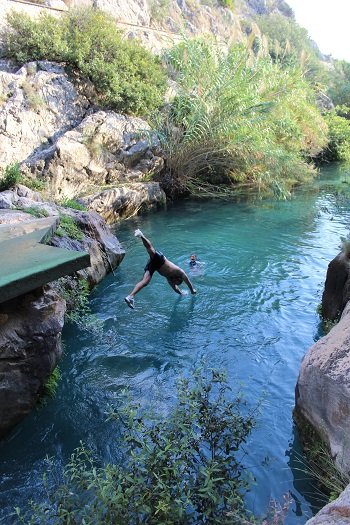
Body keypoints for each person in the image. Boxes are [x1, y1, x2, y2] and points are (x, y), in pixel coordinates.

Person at [125, 229, 197, 309]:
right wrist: (192, 290)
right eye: (176, 282)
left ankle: (130, 297)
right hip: (161, 260)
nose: (174, 283)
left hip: (154, 266)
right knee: (151, 250)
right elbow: (187, 281)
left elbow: (175, 289)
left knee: (145, 282)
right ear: (178, 278)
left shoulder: (170, 280)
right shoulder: (179, 271)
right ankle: (141, 235)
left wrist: (181, 293)